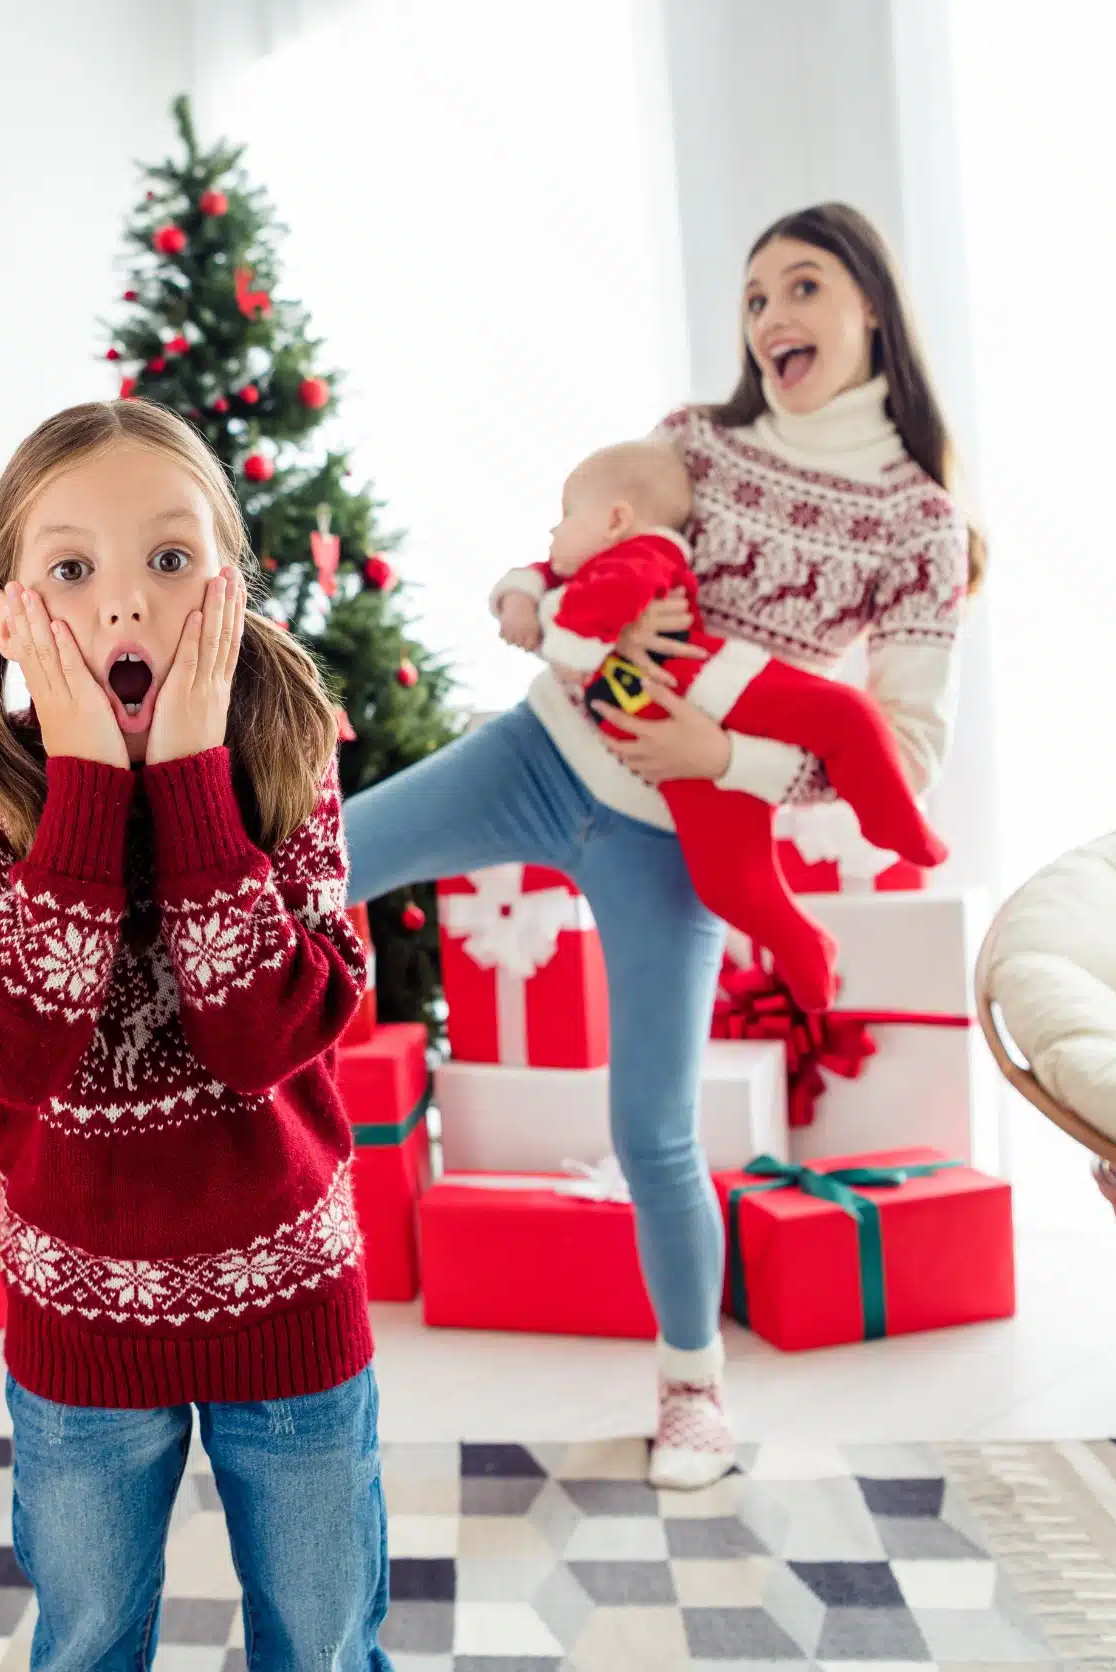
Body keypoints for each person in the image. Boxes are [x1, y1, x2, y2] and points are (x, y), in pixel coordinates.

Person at [346, 202, 978, 1491]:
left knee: (653, 1128)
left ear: (873, 310)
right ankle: (139, 978)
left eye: (802, 287)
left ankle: (694, 1390)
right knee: (326, 858)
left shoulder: (919, 527)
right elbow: (603, 542)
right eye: (754, 298)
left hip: (681, 837)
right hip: (538, 752)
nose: (771, 318)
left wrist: (721, 759)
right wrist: (528, 586)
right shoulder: (698, 439)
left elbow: (903, 753)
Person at [0, 400, 390, 1670]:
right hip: (79, 1323)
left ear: (229, 586)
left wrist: (187, 779)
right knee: (85, 1642)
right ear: (11, 611)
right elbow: (14, 1048)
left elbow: (265, 1036)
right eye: (72, 568)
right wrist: (82, 789)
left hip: (287, 1302)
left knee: (326, 1640)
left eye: (170, 560)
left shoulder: (289, 751)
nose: (126, 605)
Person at [493, 438, 947, 1007]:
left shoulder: (646, 554)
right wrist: (520, 597)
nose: (552, 534)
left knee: (841, 713)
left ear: (615, 519)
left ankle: (891, 818)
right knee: (727, 881)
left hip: (716, 688)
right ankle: (804, 944)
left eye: (564, 517)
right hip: (665, 752)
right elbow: (538, 577)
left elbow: (592, 619)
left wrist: (556, 630)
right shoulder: (583, 566)